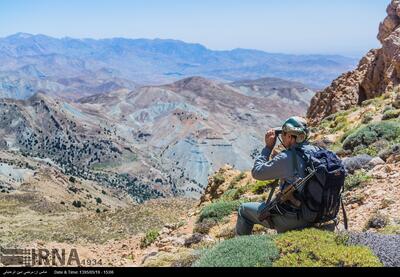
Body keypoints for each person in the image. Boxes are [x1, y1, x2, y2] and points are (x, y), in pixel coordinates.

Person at [236, 116, 320, 235]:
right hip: (319, 213)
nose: (281, 136)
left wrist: (268, 147)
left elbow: (257, 172)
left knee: (243, 210)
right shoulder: (317, 151)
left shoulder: (287, 157)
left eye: (283, 133)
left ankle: (240, 250)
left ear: (290, 136)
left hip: (297, 218)